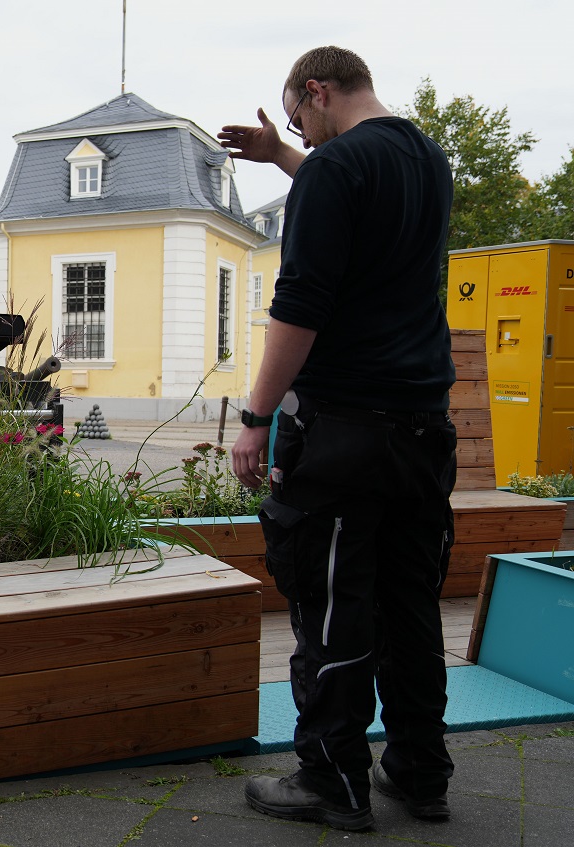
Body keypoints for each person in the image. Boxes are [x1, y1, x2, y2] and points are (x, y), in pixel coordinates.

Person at [219, 47, 457, 831]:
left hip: (347, 432)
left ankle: (331, 780)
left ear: (317, 90)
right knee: (409, 604)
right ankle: (421, 773)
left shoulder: (334, 167)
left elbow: (303, 303)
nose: (305, 140)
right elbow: (352, 188)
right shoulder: (427, 158)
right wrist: (287, 155)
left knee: (330, 607)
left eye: (300, 121)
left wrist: (256, 420)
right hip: (423, 429)